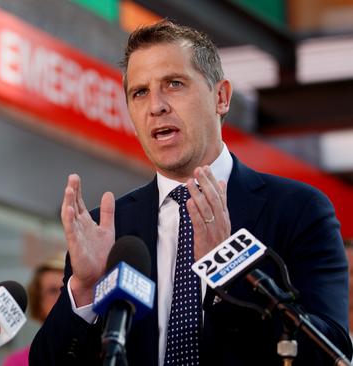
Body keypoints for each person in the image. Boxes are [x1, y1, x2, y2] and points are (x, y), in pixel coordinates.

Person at [30, 20, 352, 366]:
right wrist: (84, 290)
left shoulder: (297, 209)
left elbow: (329, 354)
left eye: (174, 84)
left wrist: (228, 272)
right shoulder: (109, 231)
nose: (156, 106)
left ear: (221, 97)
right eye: (140, 92)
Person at [3, 253, 65, 366]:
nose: (62, 296)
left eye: (67, 289)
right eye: (52, 291)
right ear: (38, 301)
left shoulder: (102, 353)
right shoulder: (18, 362)